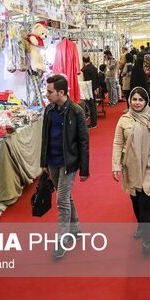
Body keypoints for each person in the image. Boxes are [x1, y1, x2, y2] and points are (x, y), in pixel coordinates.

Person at [112, 87, 150, 255]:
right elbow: (117, 143)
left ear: (146, 102)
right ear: (130, 100)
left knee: (146, 203)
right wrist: (116, 166)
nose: (137, 103)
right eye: (134, 99)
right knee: (135, 200)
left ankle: (146, 240)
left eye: (140, 100)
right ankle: (140, 224)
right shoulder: (124, 119)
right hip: (130, 165)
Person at [40, 75, 90, 259]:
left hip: (69, 163)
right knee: (66, 197)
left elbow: (84, 142)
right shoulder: (49, 110)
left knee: (61, 201)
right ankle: (75, 228)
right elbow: (44, 138)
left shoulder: (76, 111)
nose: (47, 94)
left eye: (49, 92)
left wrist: (84, 169)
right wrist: (42, 162)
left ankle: (61, 241)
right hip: (52, 161)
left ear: (61, 92)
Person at [80, 56, 99, 128]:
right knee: (93, 106)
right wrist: (96, 88)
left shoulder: (86, 69)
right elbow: (97, 78)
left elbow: (87, 81)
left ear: (83, 61)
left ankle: (93, 124)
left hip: (89, 89)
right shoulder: (93, 67)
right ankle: (94, 123)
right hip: (94, 88)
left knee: (91, 107)